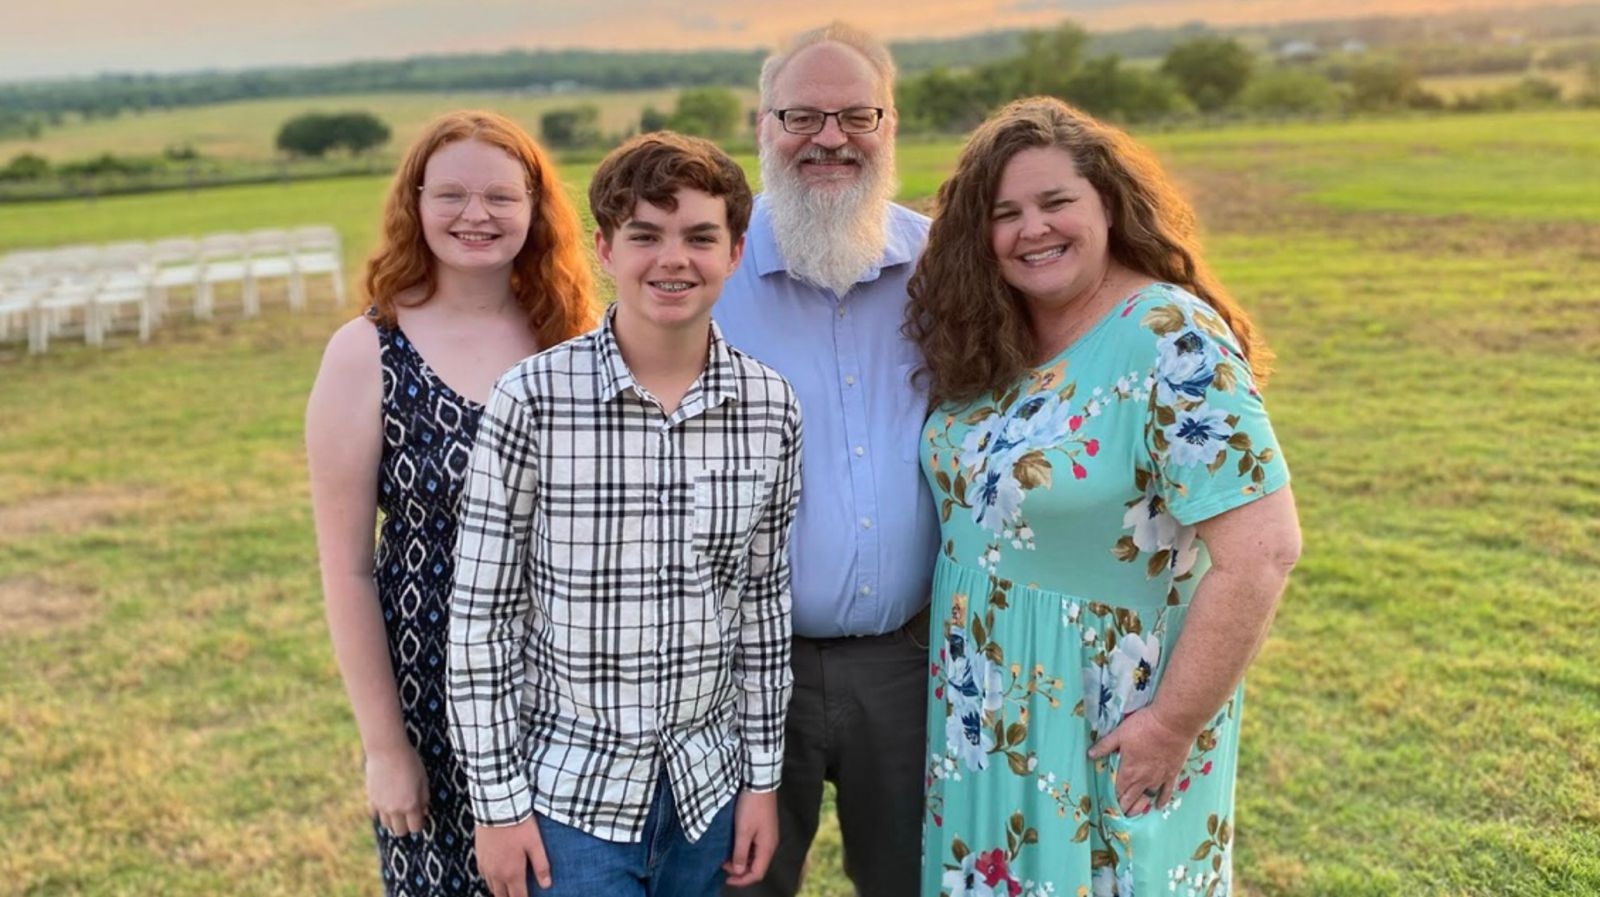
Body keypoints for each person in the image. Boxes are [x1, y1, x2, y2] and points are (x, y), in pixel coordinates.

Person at [904, 96, 1301, 897]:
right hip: (985, 718)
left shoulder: (1168, 335)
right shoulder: (997, 332)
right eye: (1004, 213)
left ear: (1110, 206)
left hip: (1103, 717)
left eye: (1056, 203)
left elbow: (1263, 550)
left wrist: (1171, 724)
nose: (1032, 229)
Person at [447, 132, 803, 897]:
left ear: (735, 251)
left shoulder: (770, 407)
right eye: (645, 235)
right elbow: (482, 618)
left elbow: (763, 610)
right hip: (569, 800)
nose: (673, 259)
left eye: (699, 237)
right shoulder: (532, 399)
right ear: (606, 248)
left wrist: (762, 781)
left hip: (707, 790)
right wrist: (497, 806)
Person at [306, 109, 598, 897]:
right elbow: (349, 572)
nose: (477, 215)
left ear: (536, 207)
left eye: (502, 196)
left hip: (576, 698)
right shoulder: (368, 351)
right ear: (417, 202)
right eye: (454, 195)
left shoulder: (573, 337)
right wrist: (385, 748)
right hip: (432, 705)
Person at [712, 21, 939, 897]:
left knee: (915, 882)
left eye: (857, 114)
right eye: (801, 115)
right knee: (741, 886)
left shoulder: (945, 266)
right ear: (761, 125)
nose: (830, 138)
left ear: (890, 125)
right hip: (745, 669)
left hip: (912, 663)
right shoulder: (705, 274)